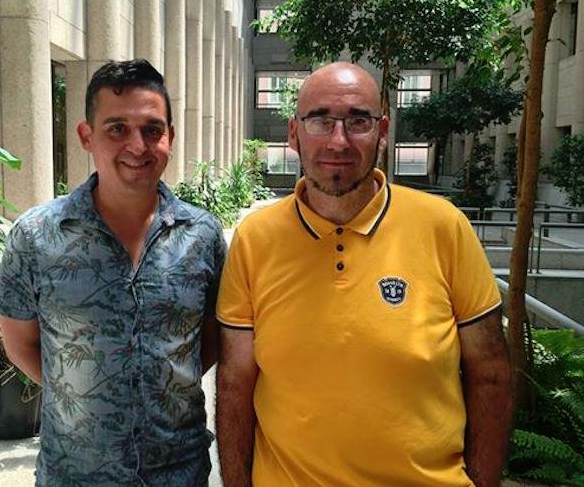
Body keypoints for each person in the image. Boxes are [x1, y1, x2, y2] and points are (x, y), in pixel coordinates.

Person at [216, 62, 512, 487]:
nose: (338, 140)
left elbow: (491, 372)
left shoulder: (443, 227)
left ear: (383, 131)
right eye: (320, 120)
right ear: (294, 133)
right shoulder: (254, 239)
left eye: (358, 121)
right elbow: (234, 383)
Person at [0, 59, 226, 486]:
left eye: (152, 130)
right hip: (76, 474)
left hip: (178, 473)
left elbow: (208, 341)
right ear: (87, 136)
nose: (138, 146)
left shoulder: (202, 235)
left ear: (170, 137)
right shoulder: (36, 236)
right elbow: (18, 342)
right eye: (117, 128)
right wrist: (78, 390)